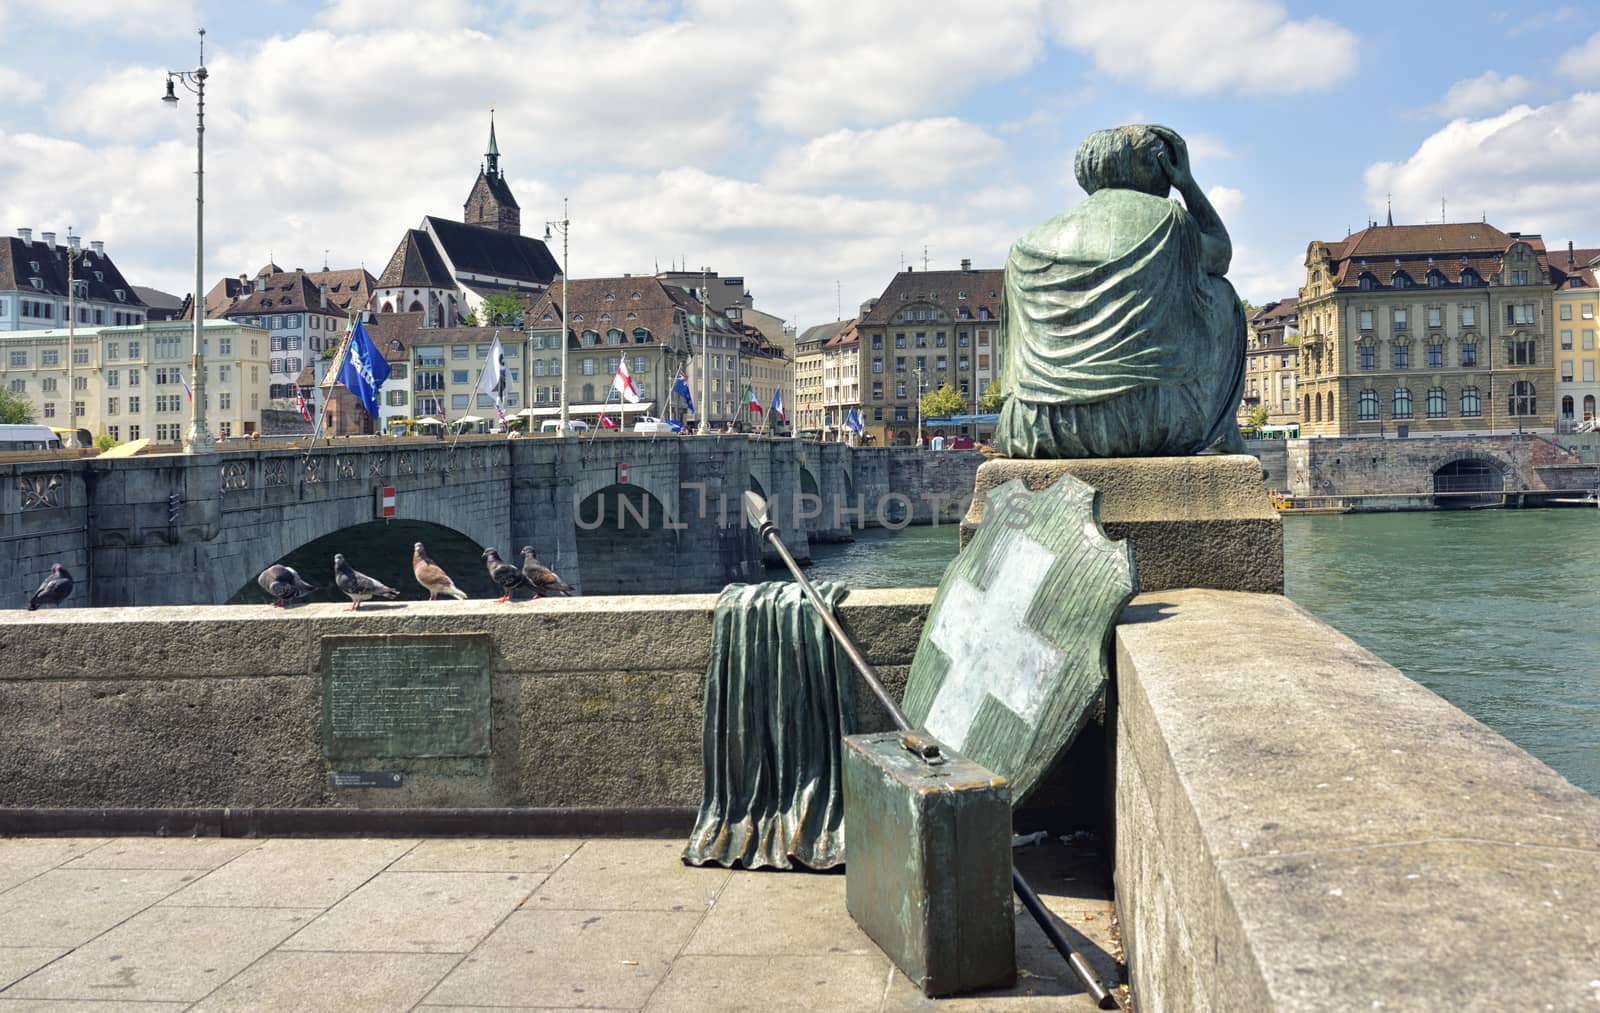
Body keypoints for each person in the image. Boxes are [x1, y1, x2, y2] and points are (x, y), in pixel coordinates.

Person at [993, 124, 1246, 458]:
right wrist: (1186, 183)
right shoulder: (1171, 222)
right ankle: (1223, 437)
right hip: (1147, 423)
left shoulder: (1025, 244)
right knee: (1221, 293)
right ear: (1159, 166)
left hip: (1035, 427)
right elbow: (1221, 253)